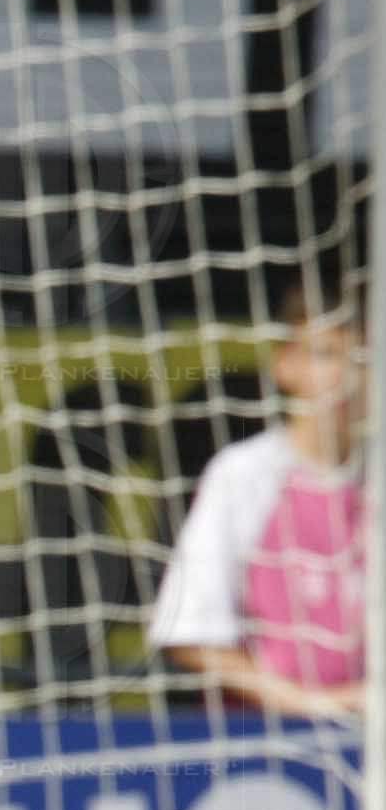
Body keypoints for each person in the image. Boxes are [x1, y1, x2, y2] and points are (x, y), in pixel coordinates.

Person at [148, 273, 368, 717]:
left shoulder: (374, 479)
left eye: (363, 360)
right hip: (264, 739)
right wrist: (313, 704)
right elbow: (191, 635)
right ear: (285, 365)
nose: (344, 377)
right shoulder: (245, 475)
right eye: (325, 354)